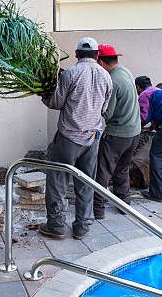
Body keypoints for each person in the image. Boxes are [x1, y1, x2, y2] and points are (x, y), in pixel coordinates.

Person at [39, 37, 112, 240]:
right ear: (97, 56)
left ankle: (56, 225)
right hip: (93, 138)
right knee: (86, 182)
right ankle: (82, 226)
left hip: (69, 138)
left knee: (57, 180)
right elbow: (104, 108)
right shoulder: (106, 76)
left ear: (77, 54)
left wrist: (43, 95)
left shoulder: (70, 73)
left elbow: (56, 102)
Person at [93, 44, 141, 219]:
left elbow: (108, 113)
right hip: (134, 132)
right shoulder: (125, 72)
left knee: (103, 171)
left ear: (101, 62)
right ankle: (124, 204)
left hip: (117, 134)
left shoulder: (113, 81)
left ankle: (98, 210)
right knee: (122, 169)